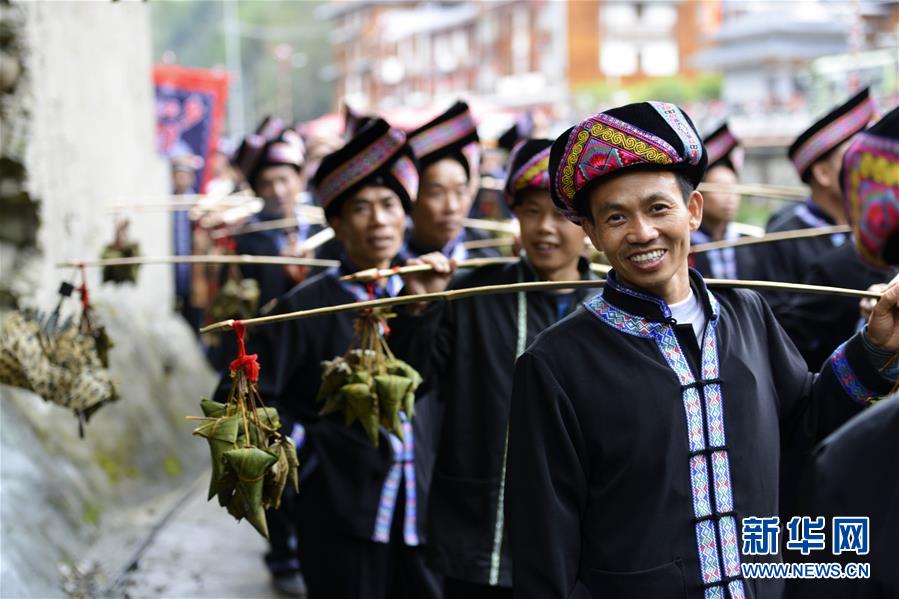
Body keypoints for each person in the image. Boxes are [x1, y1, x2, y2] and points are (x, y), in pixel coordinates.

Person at [505, 101, 899, 598]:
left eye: (658, 207)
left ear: (692, 211)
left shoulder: (748, 314)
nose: (642, 232)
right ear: (592, 234)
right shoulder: (555, 363)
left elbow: (805, 427)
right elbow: (544, 547)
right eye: (616, 217)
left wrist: (874, 348)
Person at [389, 139, 596, 599]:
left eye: (562, 215)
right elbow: (410, 380)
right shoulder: (473, 295)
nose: (545, 229)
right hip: (480, 533)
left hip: (588, 538)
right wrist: (419, 308)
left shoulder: (615, 305)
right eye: (531, 211)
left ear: (588, 223)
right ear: (514, 215)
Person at [249, 118, 441, 599]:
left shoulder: (433, 296)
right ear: (336, 223)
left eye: (389, 205)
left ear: (406, 216)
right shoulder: (306, 307)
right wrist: (312, 458)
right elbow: (251, 403)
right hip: (338, 519)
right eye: (360, 208)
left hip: (424, 515)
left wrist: (423, 309)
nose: (378, 221)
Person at [752, 89, 876, 319]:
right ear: (823, 173)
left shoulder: (880, 228)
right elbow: (778, 330)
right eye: (858, 156)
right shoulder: (781, 239)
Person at [405, 101, 501, 261]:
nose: (452, 207)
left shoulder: (488, 259)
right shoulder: (389, 272)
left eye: (460, 191)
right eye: (436, 193)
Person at [230, 124, 308, 308]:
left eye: (284, 179)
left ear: (299, 180)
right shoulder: (245, 241)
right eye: (267, 184)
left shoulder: (320, 229)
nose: (278, 191)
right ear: (256, 191)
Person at [690, 123, 756, 280]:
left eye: (734, 188)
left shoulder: (751, 243)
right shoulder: (685, 246)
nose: (729, 196)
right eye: (720, 188)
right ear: (698, 197)